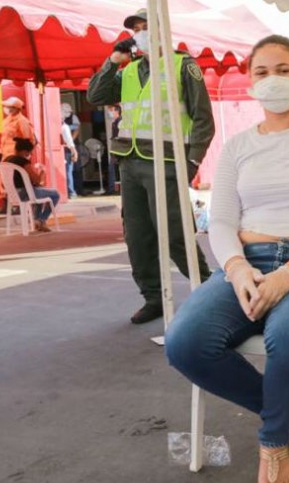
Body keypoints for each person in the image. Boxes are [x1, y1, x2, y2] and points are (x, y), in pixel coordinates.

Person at [164, 35, 289, 483]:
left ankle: (272, 444)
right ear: (250, 83)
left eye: (283, 69)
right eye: (261, 72)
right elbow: (222, 221)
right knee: (185, 342)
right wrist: (234, 269)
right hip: (246, 264)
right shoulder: (236, 147)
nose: (272, 79)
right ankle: (286, 418)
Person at [87, 7, 214, 324]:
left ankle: (211, 293)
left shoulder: (183, 66)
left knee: (175, 233)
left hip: (168, 161)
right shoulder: (127, 71)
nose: (141, 32)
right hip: (130, 163)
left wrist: (192, 162)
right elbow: (95, 95)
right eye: (137, 28)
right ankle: (154, 297)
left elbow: (203, 120)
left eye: (147, 26)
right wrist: (112, 61)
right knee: (138, 235)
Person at [4, 138, 61, 232]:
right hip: (25, 193)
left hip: (12, 194)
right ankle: (41, 220)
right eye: (30, 152)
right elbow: (37, 181)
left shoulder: (7, 160)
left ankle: (37, 222)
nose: (30, 155)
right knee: (55, 194)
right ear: (24, 152)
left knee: (39, 195)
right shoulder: (23, 162)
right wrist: (43, 171)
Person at [60, 119, 79, 197]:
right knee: (68, 171)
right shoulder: (65, 127)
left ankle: (67, 191)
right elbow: (69, 140)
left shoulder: (57, 127)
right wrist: (74, 151)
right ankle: (71, 192)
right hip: (67, 149)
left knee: (65, 171)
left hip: (61, 149)